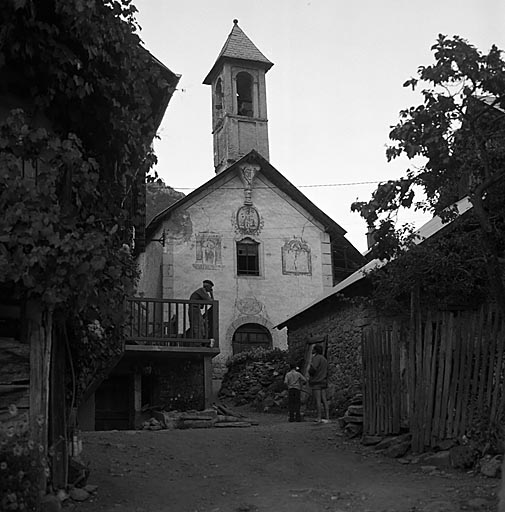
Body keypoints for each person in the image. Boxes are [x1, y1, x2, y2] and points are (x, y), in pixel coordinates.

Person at [308, 344, 329, 423]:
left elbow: (313, 369)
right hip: (323, 380)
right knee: (324, 400)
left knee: (318, 400)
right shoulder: (324, 359)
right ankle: (327, 417)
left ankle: (319, 417)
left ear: (316, 350)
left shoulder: (316, 358)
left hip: (317, 381)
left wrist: (309, 372)